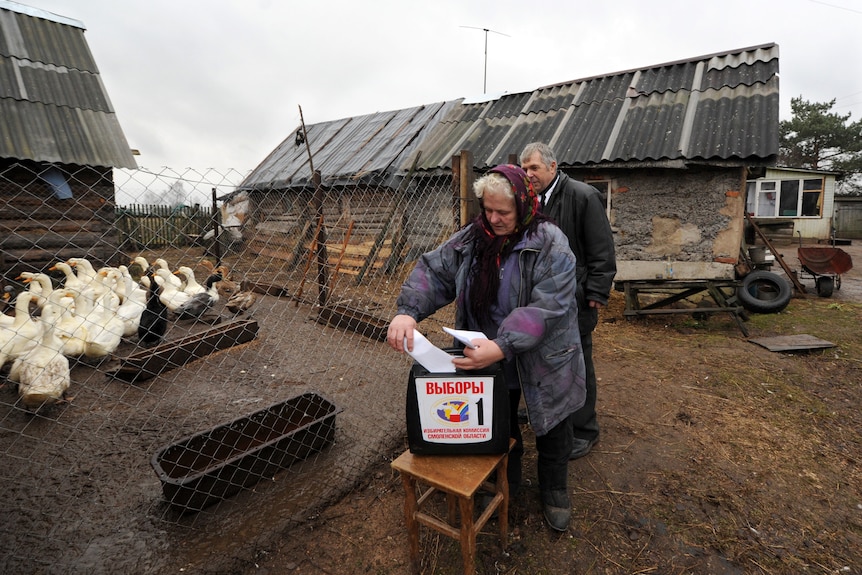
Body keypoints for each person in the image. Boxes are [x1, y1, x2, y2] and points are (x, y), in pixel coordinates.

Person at [387, 164, 586, 531]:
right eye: (487, 210)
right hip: (488, 352)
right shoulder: (472, 238)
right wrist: (407, 312)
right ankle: (504, 486)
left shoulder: (550, 242)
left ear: (525, 206)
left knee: (554, 424)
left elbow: (548, 306)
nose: (493, 219)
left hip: (544, 355)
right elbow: (434, 272)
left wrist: (504, 343)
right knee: (499, 422)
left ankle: (555, 490)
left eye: (503, 213)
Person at [520, 142, 617, 460]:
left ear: (553, 166)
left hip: (575, 298)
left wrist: (596, 293)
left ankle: (585, 429)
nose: (528, 174)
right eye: (524, 169)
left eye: (534, 167)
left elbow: (602, 250)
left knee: (578, 362)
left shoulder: (583, 196)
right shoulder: (530, 200)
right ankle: (548, 410)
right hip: (541, 298)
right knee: (542, 356)